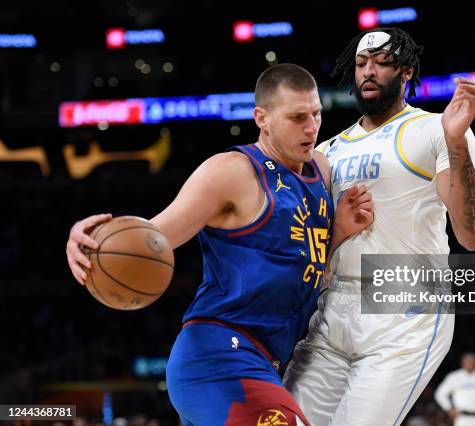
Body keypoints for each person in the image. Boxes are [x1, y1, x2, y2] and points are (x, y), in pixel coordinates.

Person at [65, 64, 374, 426]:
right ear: (262, 118)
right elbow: (153, 236)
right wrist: (91, 242)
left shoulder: (320, 169)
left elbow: (308, 270)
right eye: (296, 117)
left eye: (316, 114)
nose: (311, 127)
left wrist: (337, 232)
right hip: (218, 355)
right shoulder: (231, 170)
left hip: (265, 361)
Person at [283, 27, 475, 425]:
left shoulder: (436, 130)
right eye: (361, 63)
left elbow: (472, 233)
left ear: (407, 71)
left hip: (404, 307)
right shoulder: (327, 150)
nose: (369, 71)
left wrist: (457, 142)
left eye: (382, 62)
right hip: (332, 308)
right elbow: (308, 243)